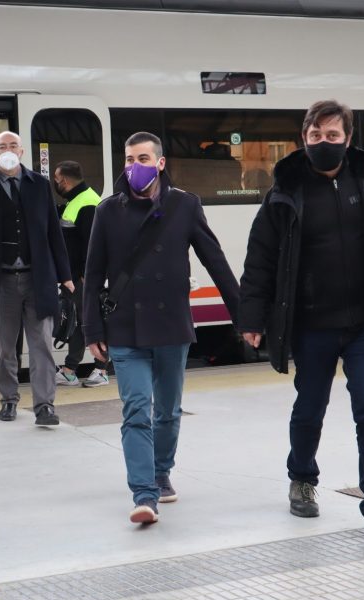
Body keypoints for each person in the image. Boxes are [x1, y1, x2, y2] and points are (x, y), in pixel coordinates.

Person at [238, 99, 364, 547]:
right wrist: (252, 317)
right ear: (304, 138)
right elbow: (260, 260)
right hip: (312, 322)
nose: (324, 143)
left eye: (333, 136)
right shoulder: (285, 191)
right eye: (316, 136)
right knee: (310, 407)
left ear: (347, 140)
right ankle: (302, 477)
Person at [82, 132, 240, 525]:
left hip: (171, 325)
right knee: (136, 408)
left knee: (167, 411)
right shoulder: (107, 211)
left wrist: (245, 314)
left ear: (161, 163)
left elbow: (215, 260)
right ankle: (144, 493)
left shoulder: (185, 206)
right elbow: (93, 273)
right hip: (125, 328)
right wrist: (90, 329)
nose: (135, 166)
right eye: (129, 159)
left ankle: (161, 472)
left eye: (142, 158)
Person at [0, 131, 74, 426]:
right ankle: (9, 399)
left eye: (13, 145)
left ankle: (45, 405)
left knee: (42, 347)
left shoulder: (39, 185)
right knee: (5, 348)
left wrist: (65, 275)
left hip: (39, 278)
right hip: (0, 280)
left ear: (22, 152)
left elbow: (53, 232)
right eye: (2, 146)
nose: (8, 150)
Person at [51, 160, 108, 388]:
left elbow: (91, 244)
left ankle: (101, 368)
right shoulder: (75, 201)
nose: (55, 184)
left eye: (56, 180)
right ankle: (70, 369)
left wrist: (85, 275)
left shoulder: (87, 203)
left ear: (64, 181)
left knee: (88, 321)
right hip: (73, 276)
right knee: (77, 321)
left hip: (80, 277)